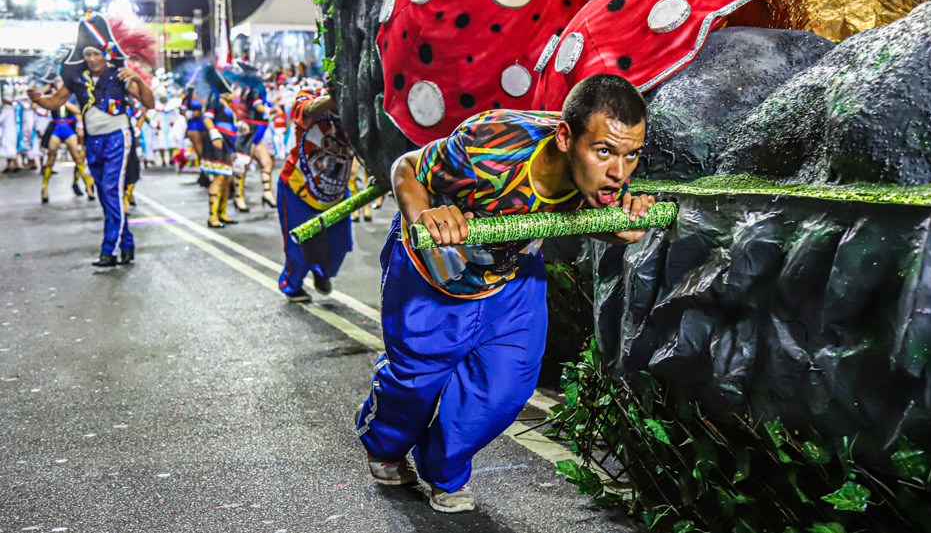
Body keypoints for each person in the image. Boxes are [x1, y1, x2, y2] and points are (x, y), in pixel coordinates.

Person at [355, 74, 655, 513]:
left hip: (513, 278)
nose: (619, 173)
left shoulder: (606, 173)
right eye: (605, 152)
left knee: (502, 390)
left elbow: (593, 218)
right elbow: (407, 167)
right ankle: (385, 445)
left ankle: (443, 471)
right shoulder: (490, 145)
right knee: (415, 385)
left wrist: (623, 225)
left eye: (632, 155)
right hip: (434, 275)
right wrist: (423, 218)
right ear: (565, 137)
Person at [27, 12, 154, 267]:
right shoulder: (76, 79)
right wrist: (38, 99)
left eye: (96, 53)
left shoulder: (120, 75)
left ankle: (109, 250)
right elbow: (55, 102)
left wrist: (138, 80)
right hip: (93, 142)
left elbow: (149, 103)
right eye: (88, 54)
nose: (92, 59)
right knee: (105, 194)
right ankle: (127, 245)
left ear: (106, 53)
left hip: (118, 137)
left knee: (111, 189)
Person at [275, 86, 353, 301]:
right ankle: (292, 285)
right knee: (298, 248)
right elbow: (307, 109)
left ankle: (321, 272)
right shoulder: (311, 92)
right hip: (298, 189)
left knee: (340, 246)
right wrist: (337, 96)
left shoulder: (359, 105)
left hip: (336, 193)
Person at [32, 79, 96, 204]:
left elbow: (78, 110)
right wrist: (45, 91)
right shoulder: (50, 95)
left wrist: (59, 100)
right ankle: (44, 188)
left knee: (78, 158)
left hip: (69, 128)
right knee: (51, 158)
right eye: (56, 82)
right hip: (56, 128)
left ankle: (88, 187)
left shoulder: (72, 95)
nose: (59, 83)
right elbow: (34, 106)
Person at [199, 69, 240, 228]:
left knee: (227, 178)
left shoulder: (227, 104)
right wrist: (214, 135)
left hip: (228, 144)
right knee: (220, 177)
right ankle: (212, 216)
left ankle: (222, 213)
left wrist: (240, 127)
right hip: (218, 144)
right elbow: (207, 118)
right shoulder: (215, 99)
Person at [234, 86, 278, 212]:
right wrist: (270, 110)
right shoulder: (254, 89)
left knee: (267, 163)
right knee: (244, 166)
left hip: (259, 134)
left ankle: (267, 193)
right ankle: (238, 197)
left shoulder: (261, 90)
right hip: (250, 134)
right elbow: (257, 106)